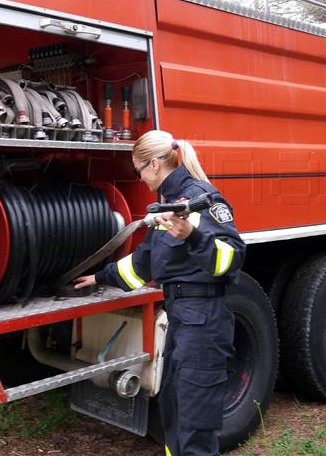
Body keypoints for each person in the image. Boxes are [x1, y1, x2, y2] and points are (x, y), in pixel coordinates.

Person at [74, 130, 245, 456]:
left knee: (196, 424)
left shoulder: (203, 200)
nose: (139, 179)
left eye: (138, 170)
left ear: (153, 164)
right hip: (181, 318)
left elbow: (231, 259)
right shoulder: (166, 206)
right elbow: (144, 264)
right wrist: (99, 276)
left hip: (205, 321)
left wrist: (193, 236)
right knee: (173, 409)